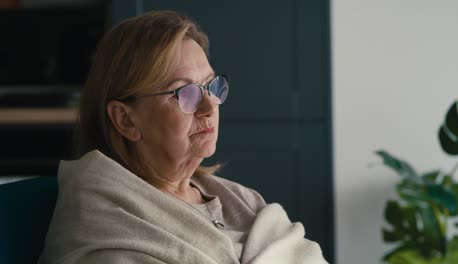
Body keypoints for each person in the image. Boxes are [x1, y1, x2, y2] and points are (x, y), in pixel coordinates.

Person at [39, 10, 328, 264]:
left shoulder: (241, 200)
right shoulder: (102, 224)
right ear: (126, 119)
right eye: (185, 92)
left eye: (210, 86)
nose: (209, 105)